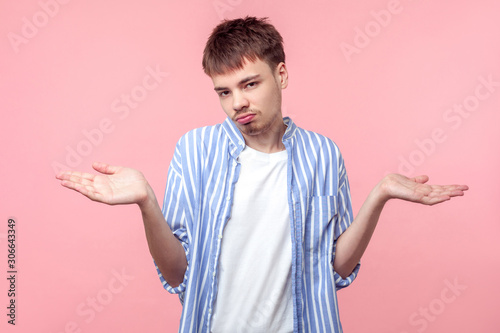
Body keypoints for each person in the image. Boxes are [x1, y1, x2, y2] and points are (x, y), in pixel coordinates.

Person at [55, 16, 468, 333]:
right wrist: (147, 201)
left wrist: (379, 195)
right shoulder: (195, 150)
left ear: (281, 75)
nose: (238, 102)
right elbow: (179, 274)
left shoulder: (323, 155)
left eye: (249, 83)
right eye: (224, 91)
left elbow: (336, 270)